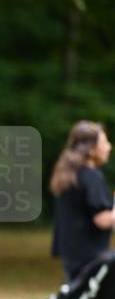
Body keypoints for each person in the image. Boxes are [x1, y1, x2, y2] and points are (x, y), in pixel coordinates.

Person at [50, 120, 114, 282]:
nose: (109, 147)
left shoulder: (70, 175)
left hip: (72, 254)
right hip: (92, 256)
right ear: (92, 150)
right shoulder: (91, 176)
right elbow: (102, 220)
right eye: (104, 142)